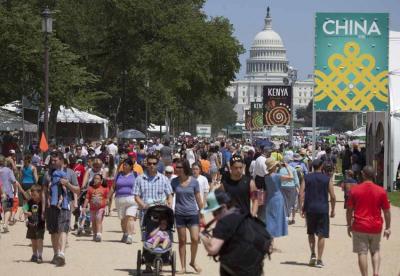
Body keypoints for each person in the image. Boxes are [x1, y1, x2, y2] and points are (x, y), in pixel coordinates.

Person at [200, 190, 268, 276]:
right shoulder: (241, 215)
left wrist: (202, 236)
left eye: (214, 212)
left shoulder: (224, 222)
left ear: (224, 207)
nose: (214, 216)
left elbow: (212, 249)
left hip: (233, 271)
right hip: (254, 269)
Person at [346, 166, 391, 276]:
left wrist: (348, 224)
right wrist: (388, 227)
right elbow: (387, 211)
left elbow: (349, 210)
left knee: (362, 252)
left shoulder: (355, 190)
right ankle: (375, 272)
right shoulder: (381, 191)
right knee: (375, 250)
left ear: (363, 174)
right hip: (375, 226)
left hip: (360, 225)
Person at [43, 151, 80, 266]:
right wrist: (43, 208)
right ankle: (56, 253)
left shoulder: (70, 173)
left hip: (64, 205)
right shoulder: (47, 174)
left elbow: (77, 190)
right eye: (52, 161)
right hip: (51, 206)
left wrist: (68, 184)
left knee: (63, 229)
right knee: (53, 231)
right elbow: (44, 192)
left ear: (62, 161)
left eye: (55, 160)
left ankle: (62, 254)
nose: (52, 162)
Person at [300, 159, 336, 268]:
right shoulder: (327, 179)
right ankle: (319, 259)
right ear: (321, 166)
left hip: (310, 209)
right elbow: (333, 196)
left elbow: (301, 194)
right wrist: (333, 209)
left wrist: (301, 207)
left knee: (310, 232)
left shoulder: (306, 177)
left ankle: (313, 254)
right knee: (321, 234)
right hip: (322, 209)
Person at [171, 159, 203, 274]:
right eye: (176, 167)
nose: (177, 169)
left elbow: (198, 198)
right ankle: (183, 267)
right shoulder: (174, 182)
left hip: (193, 214)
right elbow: (170, 196)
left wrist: (202, 213)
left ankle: (192, 261)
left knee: (195, 239)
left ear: (185, 168)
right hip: (179, 214)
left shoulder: (194, 182)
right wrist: (168, 205)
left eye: (179, 167)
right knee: (182, 241)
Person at [108, 158, 138, 244]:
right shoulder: (118, 175)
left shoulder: (135, 174)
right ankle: (125, 233)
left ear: (131, 166)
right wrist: (107, 198)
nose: (124, 166)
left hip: (132, 198)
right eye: (123, 164)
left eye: (126, 164)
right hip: (119, 199)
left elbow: (140, 186)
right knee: (123, 220)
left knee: (130, 217)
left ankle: (130, 236)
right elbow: (113, 187)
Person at [264, 158, 292, 242]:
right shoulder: (277, 176)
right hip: (278, 198)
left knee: (270, 218)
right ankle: (271, 238)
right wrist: (287, 167)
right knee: (277, 219)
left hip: (269, 198)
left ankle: (269, 237)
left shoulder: (266, 176)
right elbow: (291, 177)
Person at [82, 174, 109, 242]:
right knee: (93, 222)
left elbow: (107, 198)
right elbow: (87, 198)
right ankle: (95, 234)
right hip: (92, 208)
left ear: (101, 180)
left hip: (101, 208)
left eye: (97, 179)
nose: (96, 180)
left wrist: (106, 206)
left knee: (98, 219)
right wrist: (84, 207)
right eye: (95, 178)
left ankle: (99, 234)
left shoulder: (105, 188)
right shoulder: (90, 188)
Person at [23, 184, 45, 264]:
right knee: (33, 240)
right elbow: (24, 207)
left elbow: (44, 213)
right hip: (31, 224)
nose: (33, 196)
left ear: (40, 194)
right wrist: (25, 212)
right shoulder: (30, 201)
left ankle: (40, 255)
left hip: (40, 225)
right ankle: (34, 254)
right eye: (32, 195)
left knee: (39, 240)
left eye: (34, 195)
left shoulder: (42, 202)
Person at [279, 156, 300, 224]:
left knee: (284, 203)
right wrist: (299, 189)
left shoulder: (280, 170)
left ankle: (285, 218)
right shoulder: (293, 169)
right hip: (291, 187)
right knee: (292, 203)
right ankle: (290, 218)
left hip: (282, 187)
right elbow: (296, 181)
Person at [0, 154, 18, 233]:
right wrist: (15, 192)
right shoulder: (8, 170)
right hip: (7, 192)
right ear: (4, 162)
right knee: (7, 209)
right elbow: (14, 181)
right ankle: (5, 224)